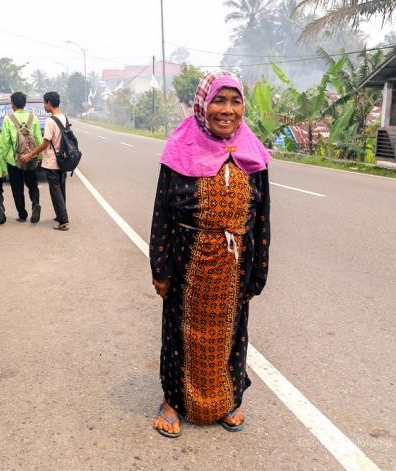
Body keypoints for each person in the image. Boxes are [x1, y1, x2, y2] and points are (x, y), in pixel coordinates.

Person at [149, 71, 271, 438]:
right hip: (187, 263)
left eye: (235, 101)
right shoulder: (178, 150)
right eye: (219, 100)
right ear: (203, 104)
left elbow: (262, 220)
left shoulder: (252, 153)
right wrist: (160, 267)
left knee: (231, 334)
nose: (227, 110)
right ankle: (173, 401)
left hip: (236, 267)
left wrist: (257, 274)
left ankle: (228, 398)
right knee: (179, 333)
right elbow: (162, 214)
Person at [21, 91, 69, 231]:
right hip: (63, 160)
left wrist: (30, 154)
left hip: (53, 161)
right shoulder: (64, 118)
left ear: (49, 103)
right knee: (61, 188)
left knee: (55, 191)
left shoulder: (50, 121)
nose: (44, 106)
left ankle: (63, 221)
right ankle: (61, 215)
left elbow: (45, 143)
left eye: (44, 103)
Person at [0, 91, 43, 223]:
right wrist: (38, 156)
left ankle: (22, 215)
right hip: (30, 158)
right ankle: (35, 204)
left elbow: (4, 144)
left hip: (14, 161)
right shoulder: (33, 118)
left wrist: (3, 161)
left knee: (17, 189)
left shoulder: (8, 119)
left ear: (12, 104)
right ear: (24, 104)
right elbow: (38, 139)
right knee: (32, 185)